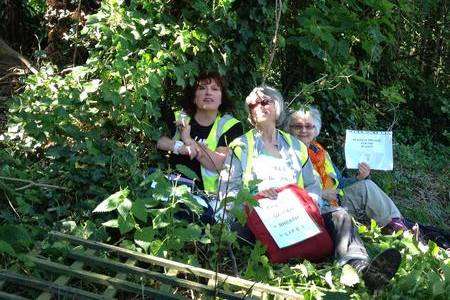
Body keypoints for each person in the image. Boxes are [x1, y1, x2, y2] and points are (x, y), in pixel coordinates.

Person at [219, 86, 401, 290]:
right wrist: (256, 199)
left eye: (264, 102)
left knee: (340, 215)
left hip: (297, 214)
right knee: (235, 233)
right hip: (258, 219)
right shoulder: (240, 146)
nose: (258, 106)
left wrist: (301, 201)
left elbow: (313, 186)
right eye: (253, 104)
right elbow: (227, 191)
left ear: (277, 107)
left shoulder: (296, 147)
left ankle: (361, 268)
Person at [286, 107, 407, 233]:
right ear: (289, 129)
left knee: (367, 186)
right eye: (298, 126)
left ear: (316, 129)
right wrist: (320, 194)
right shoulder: (285, 152)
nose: (303, 130)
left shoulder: (320, 152)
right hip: (313, 208)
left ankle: (398, 227)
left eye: (309, 126)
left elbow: (340, 182)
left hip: (336, 201)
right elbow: (287, 191)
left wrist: (359, 178)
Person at [157, 72, 243, 194]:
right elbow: (159, 141)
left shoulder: (230, 125)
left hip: (208, 198)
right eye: (202, 88)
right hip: (171, 190)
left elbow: (217, 163)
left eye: (215, 89)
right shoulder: (180, 117)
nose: (208, 92)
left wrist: (188, 140)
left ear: (222, 98)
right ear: (194, 96)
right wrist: (180, 147)